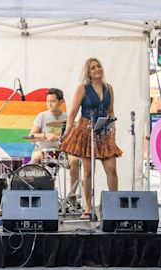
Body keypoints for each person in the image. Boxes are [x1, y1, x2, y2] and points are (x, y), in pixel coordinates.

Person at [60, 58, 123, 220]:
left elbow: (111, 111)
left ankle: (114, 204)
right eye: (93, 68)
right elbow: (73, 112)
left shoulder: (109, 88)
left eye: (98, 66)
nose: (97, 69)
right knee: (87, 172)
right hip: (86, 131)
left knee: (112, 169)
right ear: (88, 72)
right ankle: (88, 208)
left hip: (104, 132)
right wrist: (67, 131)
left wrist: (113, 127)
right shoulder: (82, 88)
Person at [29, 88, 81, 207]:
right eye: (48, 101)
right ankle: (35, 193)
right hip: (43, 150)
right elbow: (32, 136)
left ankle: (72, 196)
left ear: (61, 101)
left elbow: (74, 138)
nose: (49, 104)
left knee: (76, 160)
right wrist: (46, 135)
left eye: (52, 101)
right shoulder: (41, 116)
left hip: (63, 151)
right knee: (35, 158)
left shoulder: (68, 118)